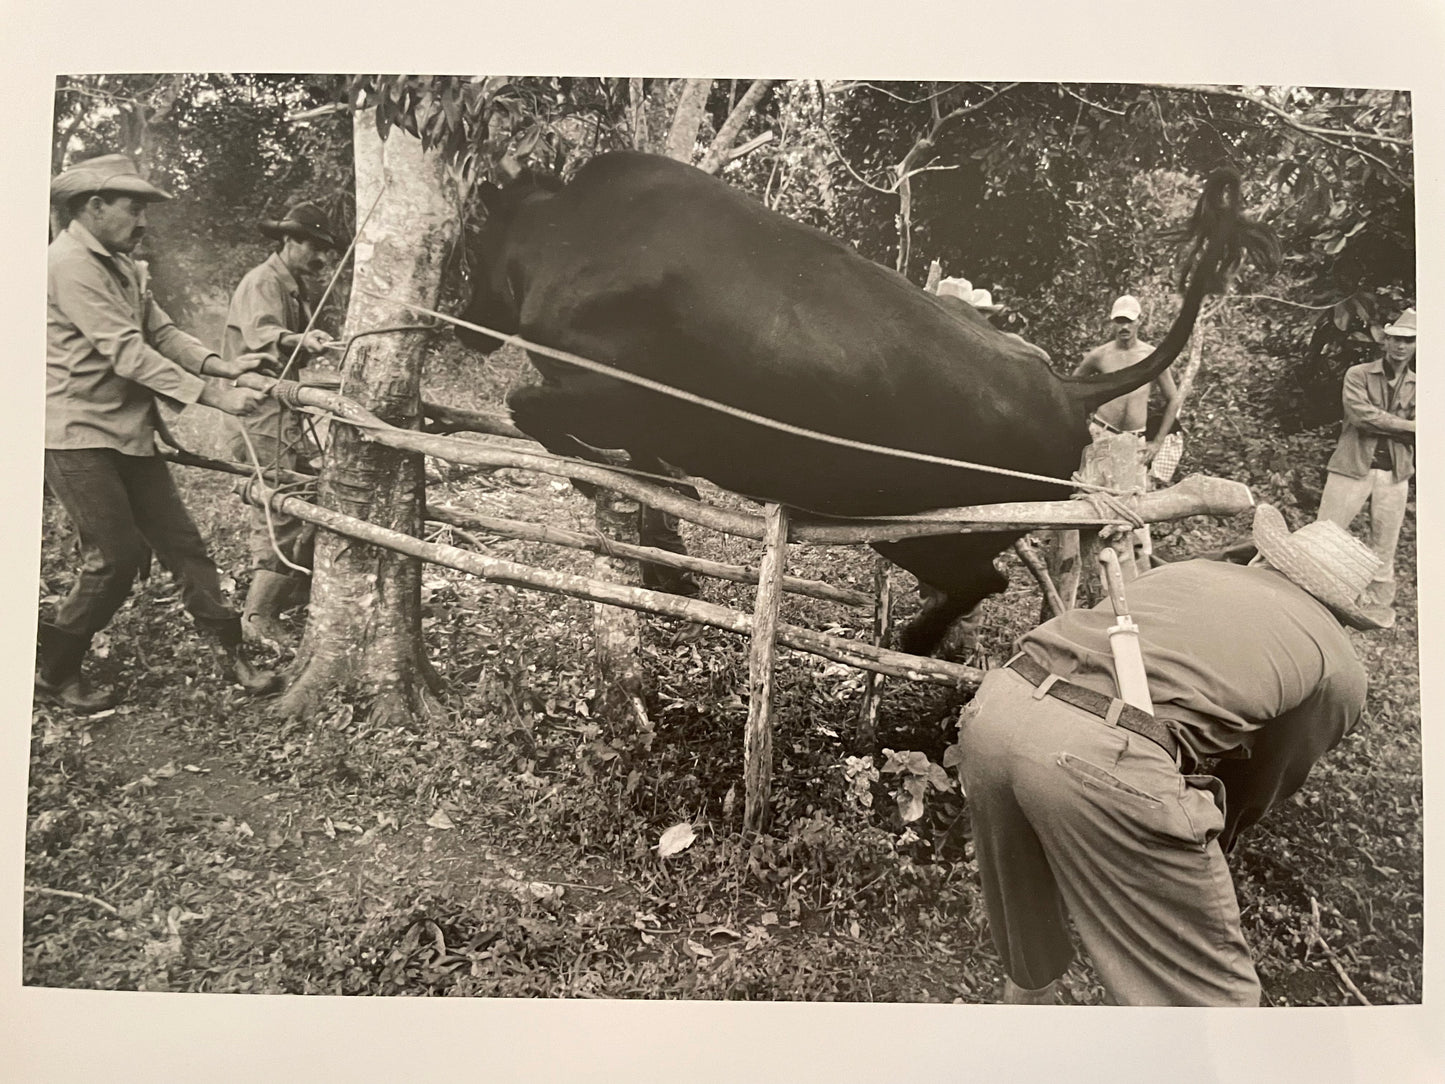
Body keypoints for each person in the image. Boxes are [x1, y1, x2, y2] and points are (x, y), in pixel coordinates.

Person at [956, 503, 1387, 1005]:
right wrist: (1196, 843)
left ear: (1266, 559)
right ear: (1346, 613)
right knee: (1213, 997)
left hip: (997, 704)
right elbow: (1264, 779)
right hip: (1100, 753)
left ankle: (1026, 1020)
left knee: (1022, 905)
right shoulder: (1340, 668)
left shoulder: (1194, 570)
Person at [40, 153, 278, 711]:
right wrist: (218, 399)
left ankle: (231, 654)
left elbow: (162, 332)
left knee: (185, 546)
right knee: (115, 558)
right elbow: (127, 354)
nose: (143, 221)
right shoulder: (70, 264)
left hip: (126, 430)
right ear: (94, 207)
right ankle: (54, 670)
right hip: (76, 434)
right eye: (133, 208)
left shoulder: (120, 263)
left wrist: (223, 366)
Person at [223, 203, 339, 642]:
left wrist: (310, 343)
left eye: (326, 250)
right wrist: (298, 339)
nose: (322, 258)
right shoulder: (263, 282)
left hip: (279, 408)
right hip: (257, 411)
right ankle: (258, 618)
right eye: (315, 247)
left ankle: (294, 593)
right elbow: (263, 337)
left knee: (305, 488)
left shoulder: (293, 288)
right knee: (280, 503)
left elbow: (290, 349)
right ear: (290, 241)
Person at [1315, 307, 1416, 627]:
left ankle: (1375, 613)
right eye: (1396, 339)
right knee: (1325, 534)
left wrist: (1395, 425)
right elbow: (1360, 417)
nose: (1401, 346)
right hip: (1351, 465)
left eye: (1409, 341)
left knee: (1385, 544)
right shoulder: (1358, 374)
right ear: (1385, 341)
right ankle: (1312, 596)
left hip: (1395, 472)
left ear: (1416, 346)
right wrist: (1410, 427)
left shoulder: (1421, 384)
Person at [1073, 295, 1184, 563]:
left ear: (1139, 323)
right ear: (1113, 322)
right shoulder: (1100, 355)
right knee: (1092, 499)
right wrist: (1082, 426)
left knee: (1135, 506)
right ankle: (1089, 562)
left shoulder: (1151, 357)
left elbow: (1173, 399)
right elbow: (1072, 388)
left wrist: (1156, 442)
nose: (1124, 327)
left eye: (1129, 322)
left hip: (1135, 441)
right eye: (1119, 321)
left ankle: (1139, 568)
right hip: (1102, 433)